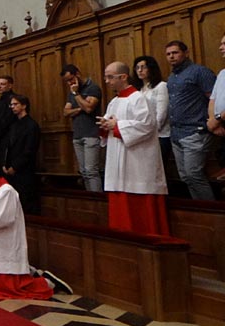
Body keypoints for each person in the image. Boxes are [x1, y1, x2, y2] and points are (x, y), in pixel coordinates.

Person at [98, 62, 170, 235]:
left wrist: (117, 126)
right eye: (105, 77)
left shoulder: (139, 98)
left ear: (123, 77)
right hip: (118, 163)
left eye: (110, 77)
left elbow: (147, 125)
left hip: (137, 163)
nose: (106, 81)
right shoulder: (114, 102)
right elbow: (109, 125)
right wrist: (104, 126)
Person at [0, 156, 53, 300]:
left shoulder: (7, 191)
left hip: (5, 239)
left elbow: (1, 217)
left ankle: (45, 283)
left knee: (12, 287)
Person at [165, 40, 216, 200]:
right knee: (185, 177)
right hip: (176, 133)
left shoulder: (200, 72)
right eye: (168, 54)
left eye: (175, 52)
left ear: (186, 53)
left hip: (195, 131)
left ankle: (211, 211)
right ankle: (200, 210)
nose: (171, 56)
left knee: (194, 174)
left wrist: (214, 121)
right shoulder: (172, 77)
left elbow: (215, 99)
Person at [61, 64, 103, 192]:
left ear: (78, 74)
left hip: (91, 134)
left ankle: (97, 200)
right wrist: (80, 108)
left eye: (71, 79)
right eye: (67, 81)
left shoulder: (92, 88)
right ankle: (89, 198)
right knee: (83, 172)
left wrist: (76, 94)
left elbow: (89, 108)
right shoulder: (72, 92)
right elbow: (66, 112)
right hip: (77, 134)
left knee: (91, 171)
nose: (70, 83)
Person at [0, 94, 41, 215]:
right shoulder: (13, 125)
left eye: (15, 104)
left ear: (24, 106)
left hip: (24, 170)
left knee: (25, 203)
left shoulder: (31, 125)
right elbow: (6, 146)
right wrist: (4, 164)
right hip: (10, 170)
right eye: (11, 104)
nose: (12, 107)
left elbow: (29, 149)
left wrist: (15, 166)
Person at [133, 55, 171, 159]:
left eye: (144, 67)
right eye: (137, 68)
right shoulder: (138, 89)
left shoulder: (161, 86)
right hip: (142, 135)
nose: (140, 70)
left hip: (159, 135)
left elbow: (162, 113)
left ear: (151, 68)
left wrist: (151, 131)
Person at [207, 33, 225, 143]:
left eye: (224, 44)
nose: (220, 47)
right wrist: (212, 120)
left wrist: (217, 119)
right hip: (220, 126)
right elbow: (212, 99)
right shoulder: (222, 73)